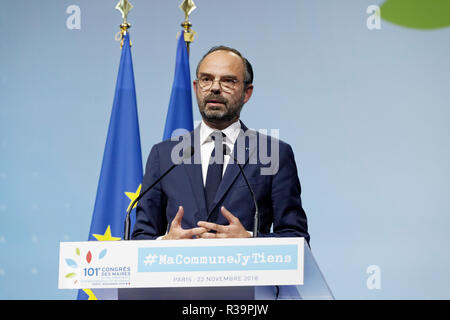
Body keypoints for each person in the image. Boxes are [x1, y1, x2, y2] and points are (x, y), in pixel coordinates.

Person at [132, 46, 309, 243]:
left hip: (246, 273)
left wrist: (250, 239)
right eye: (206, 79)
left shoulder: (274, 153)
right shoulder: (164, 155)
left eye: (228, 81)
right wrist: (165, 243)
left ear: (246, 93)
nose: (215, 88)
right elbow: (141, 236)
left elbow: (296, 237)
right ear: (196, 87)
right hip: (181, 272)